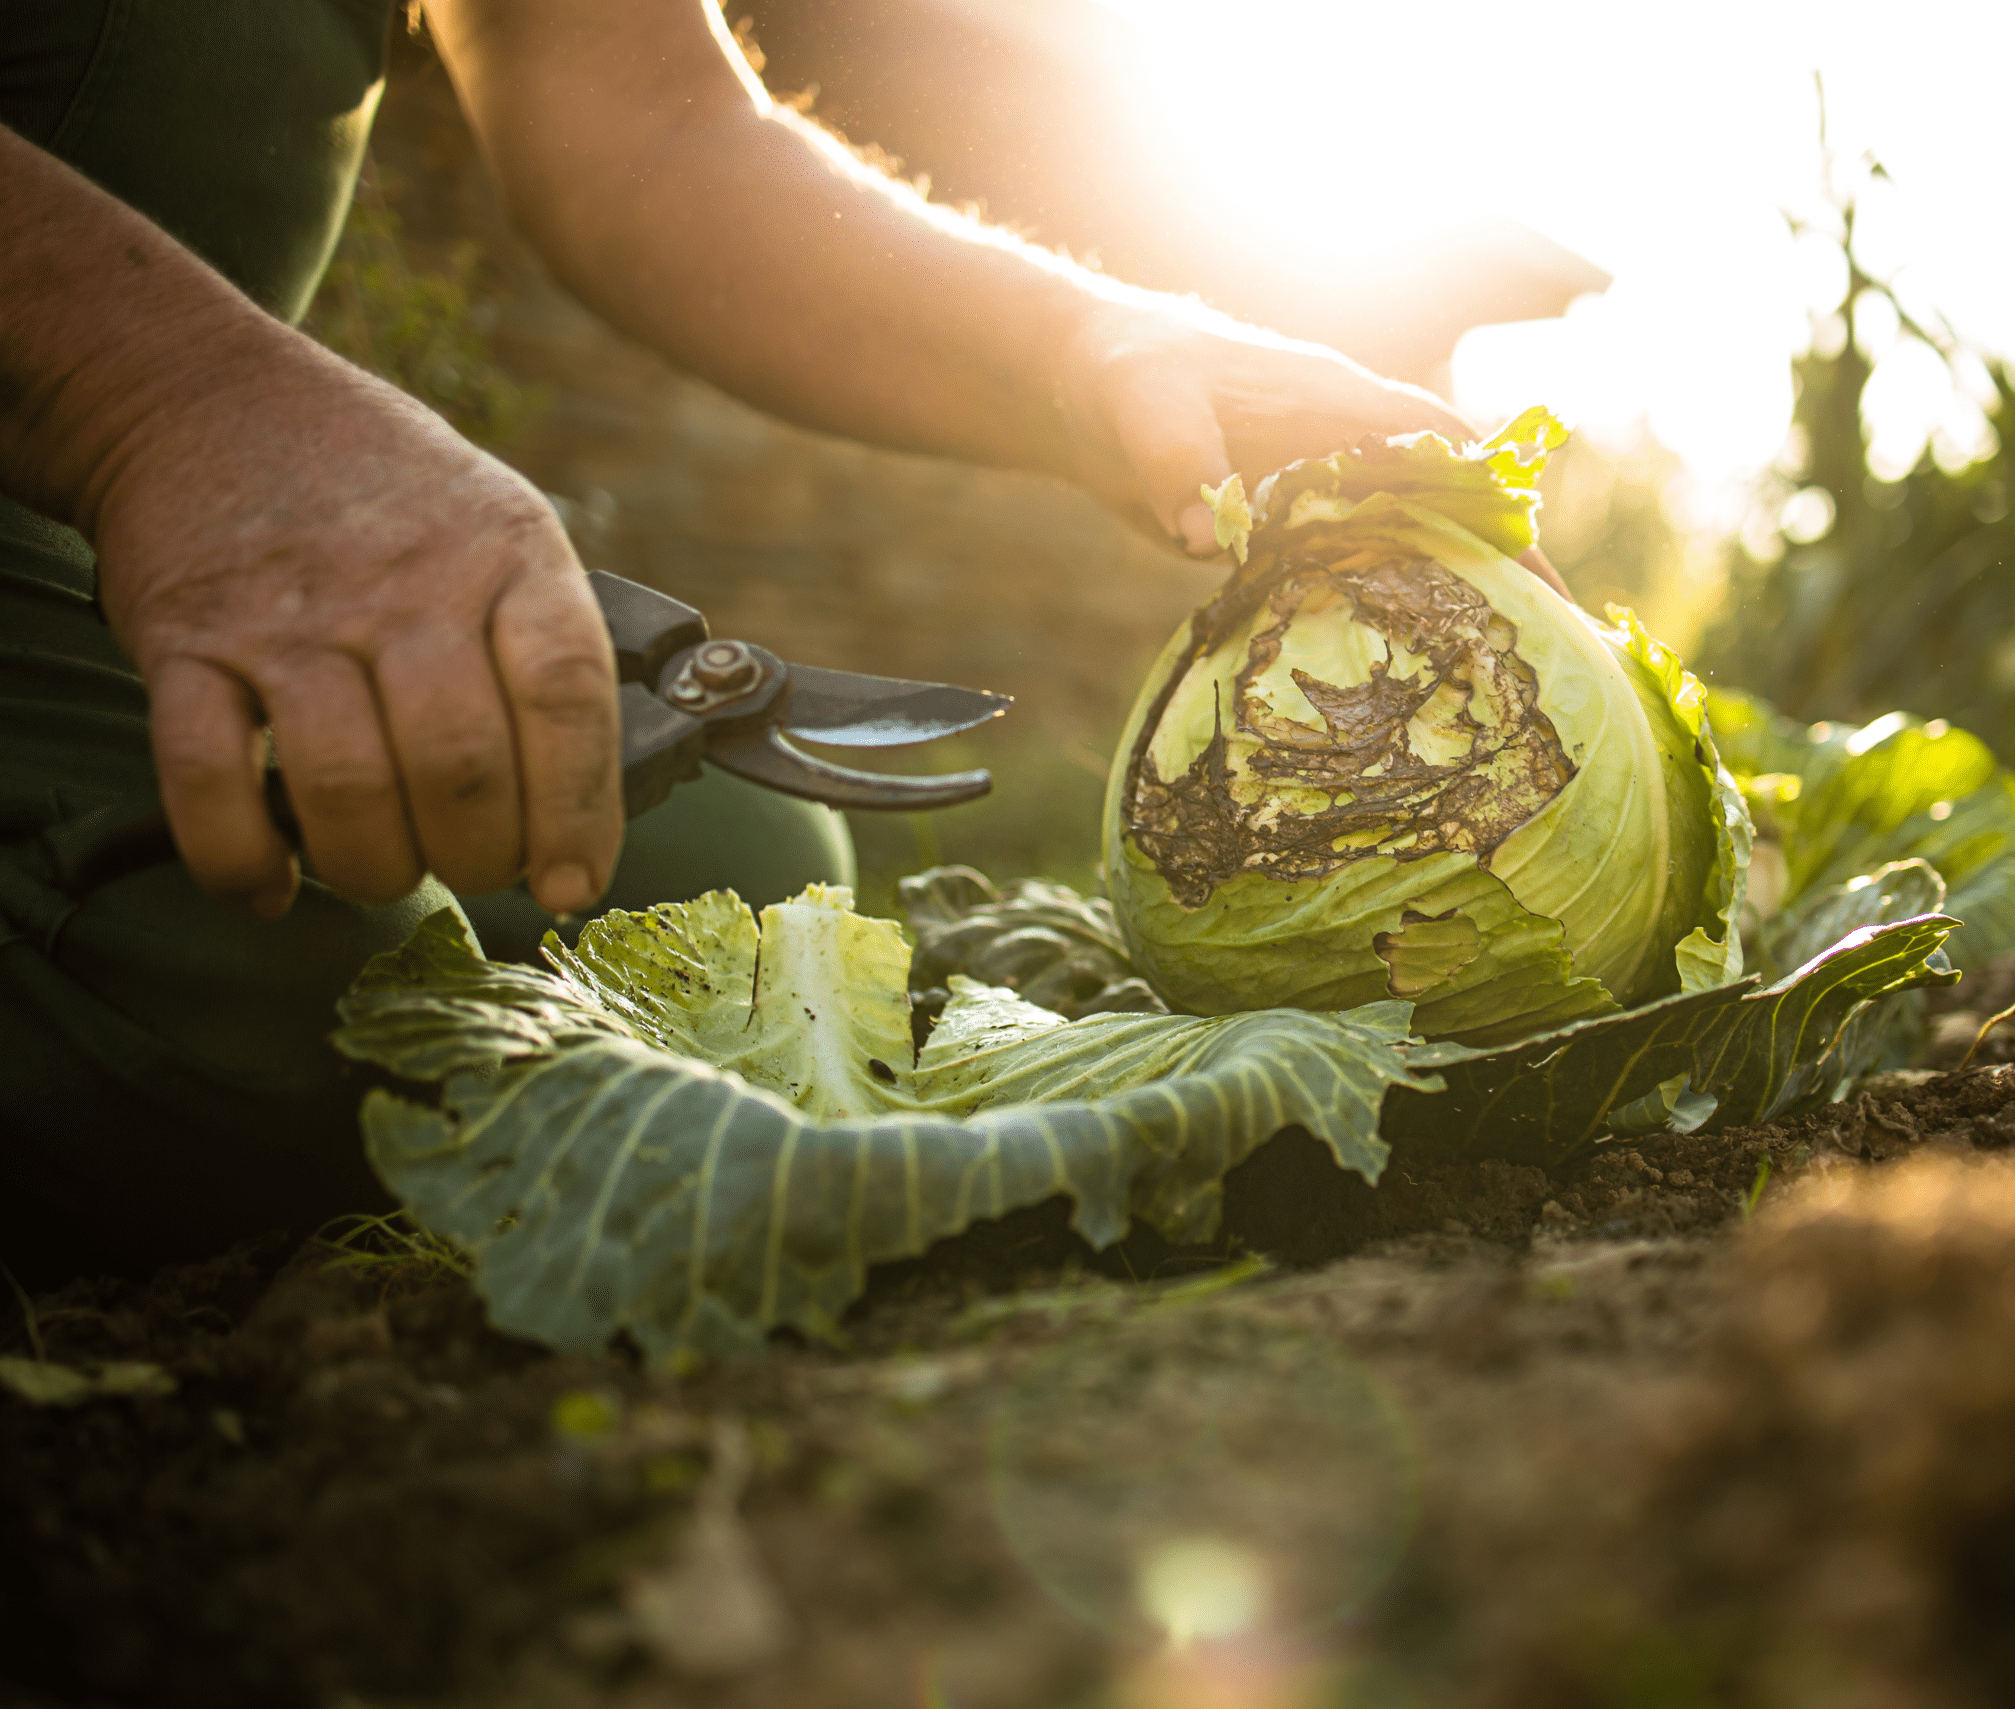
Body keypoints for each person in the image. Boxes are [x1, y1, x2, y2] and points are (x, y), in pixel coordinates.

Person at [0, 0, 1513, 1286]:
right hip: (108, 457)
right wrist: (151, 392)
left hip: (110, 560)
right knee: (268, 985)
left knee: (736, 868)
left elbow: (652, 126)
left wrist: (1079, 344)